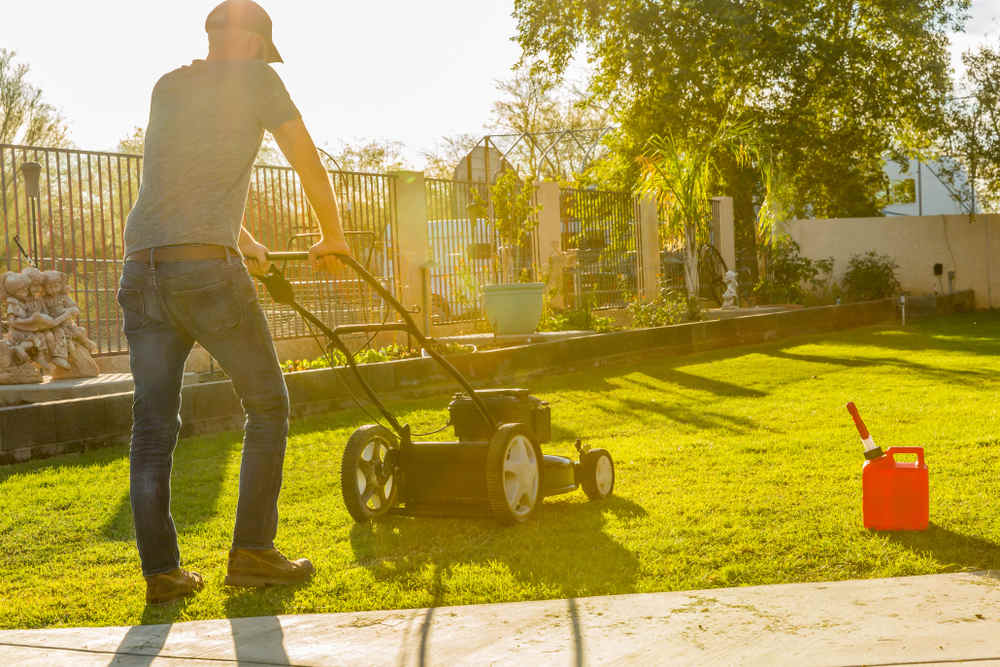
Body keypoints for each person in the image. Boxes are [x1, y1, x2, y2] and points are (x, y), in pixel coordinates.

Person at [118, 0, 351, 605]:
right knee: (268, 404)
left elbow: (177, 183)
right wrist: (333, 235)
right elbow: (306, 157)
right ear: (250, 43)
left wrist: (244, 242)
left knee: (152, 428)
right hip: (205, 275)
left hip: (142, 268)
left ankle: (162, 574)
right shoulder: (260, 80)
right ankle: (252, 552)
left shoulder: (167, 85)